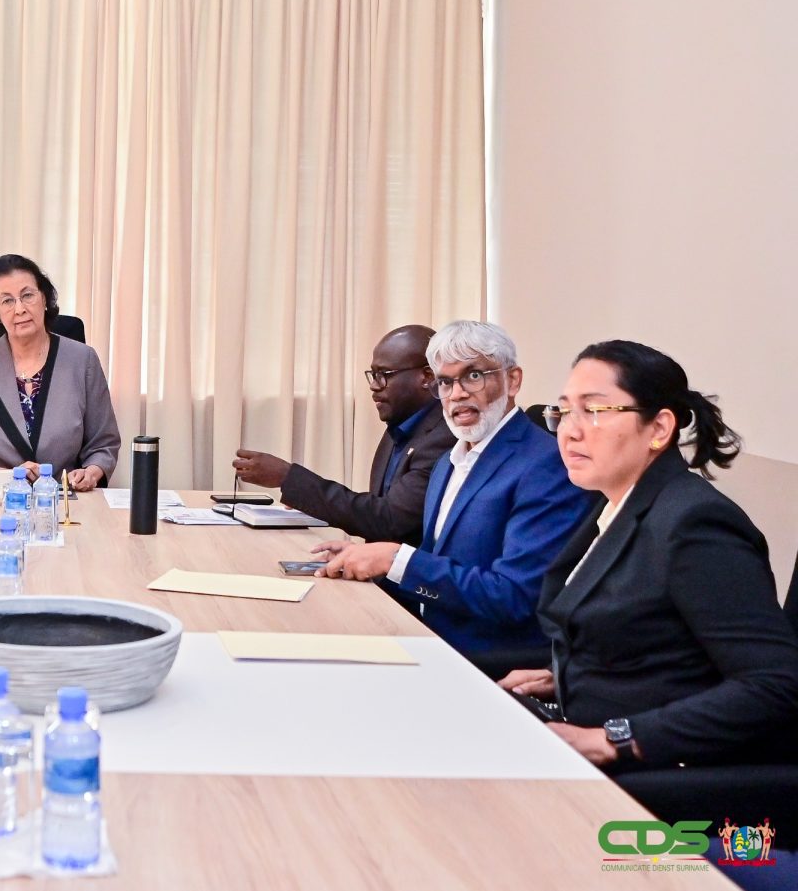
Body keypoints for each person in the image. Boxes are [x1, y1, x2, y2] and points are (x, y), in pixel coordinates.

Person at [499, 341, 798, 769]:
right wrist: (564, 676)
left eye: (594, 410)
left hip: (665, 769)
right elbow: (655, 646)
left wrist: (614, 740)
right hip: (581, 725)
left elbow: (776, 682)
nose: (569, 431)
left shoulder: (694, 523)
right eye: (563, 411)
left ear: (658, 428)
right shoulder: (617, 504)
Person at [312, 320, 594, 653]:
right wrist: (365, 561)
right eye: (445, 382)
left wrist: (396, 559)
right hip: (429, 641)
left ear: (513, 380)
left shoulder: (546, 466)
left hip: (492, 664)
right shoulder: (447, 462)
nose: (457, 394)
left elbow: (514, 596)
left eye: (473, 376)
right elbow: (441, 575)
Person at [232, 324, 454, 545]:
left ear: (427, 376)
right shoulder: (400, 426)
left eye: (384, 375)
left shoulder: (442, 439)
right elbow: (377, 516)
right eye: (373, 375)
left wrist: (287, 478)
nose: (374, 386)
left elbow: (390, 520)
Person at [0, 254, 119, 490]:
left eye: (27, 295)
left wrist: (91, 473)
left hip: (63, 498)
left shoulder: (83, 360)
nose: (20, 309)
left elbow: (103, 444)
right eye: (7, 301)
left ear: (44, 298)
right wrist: (8, 476)